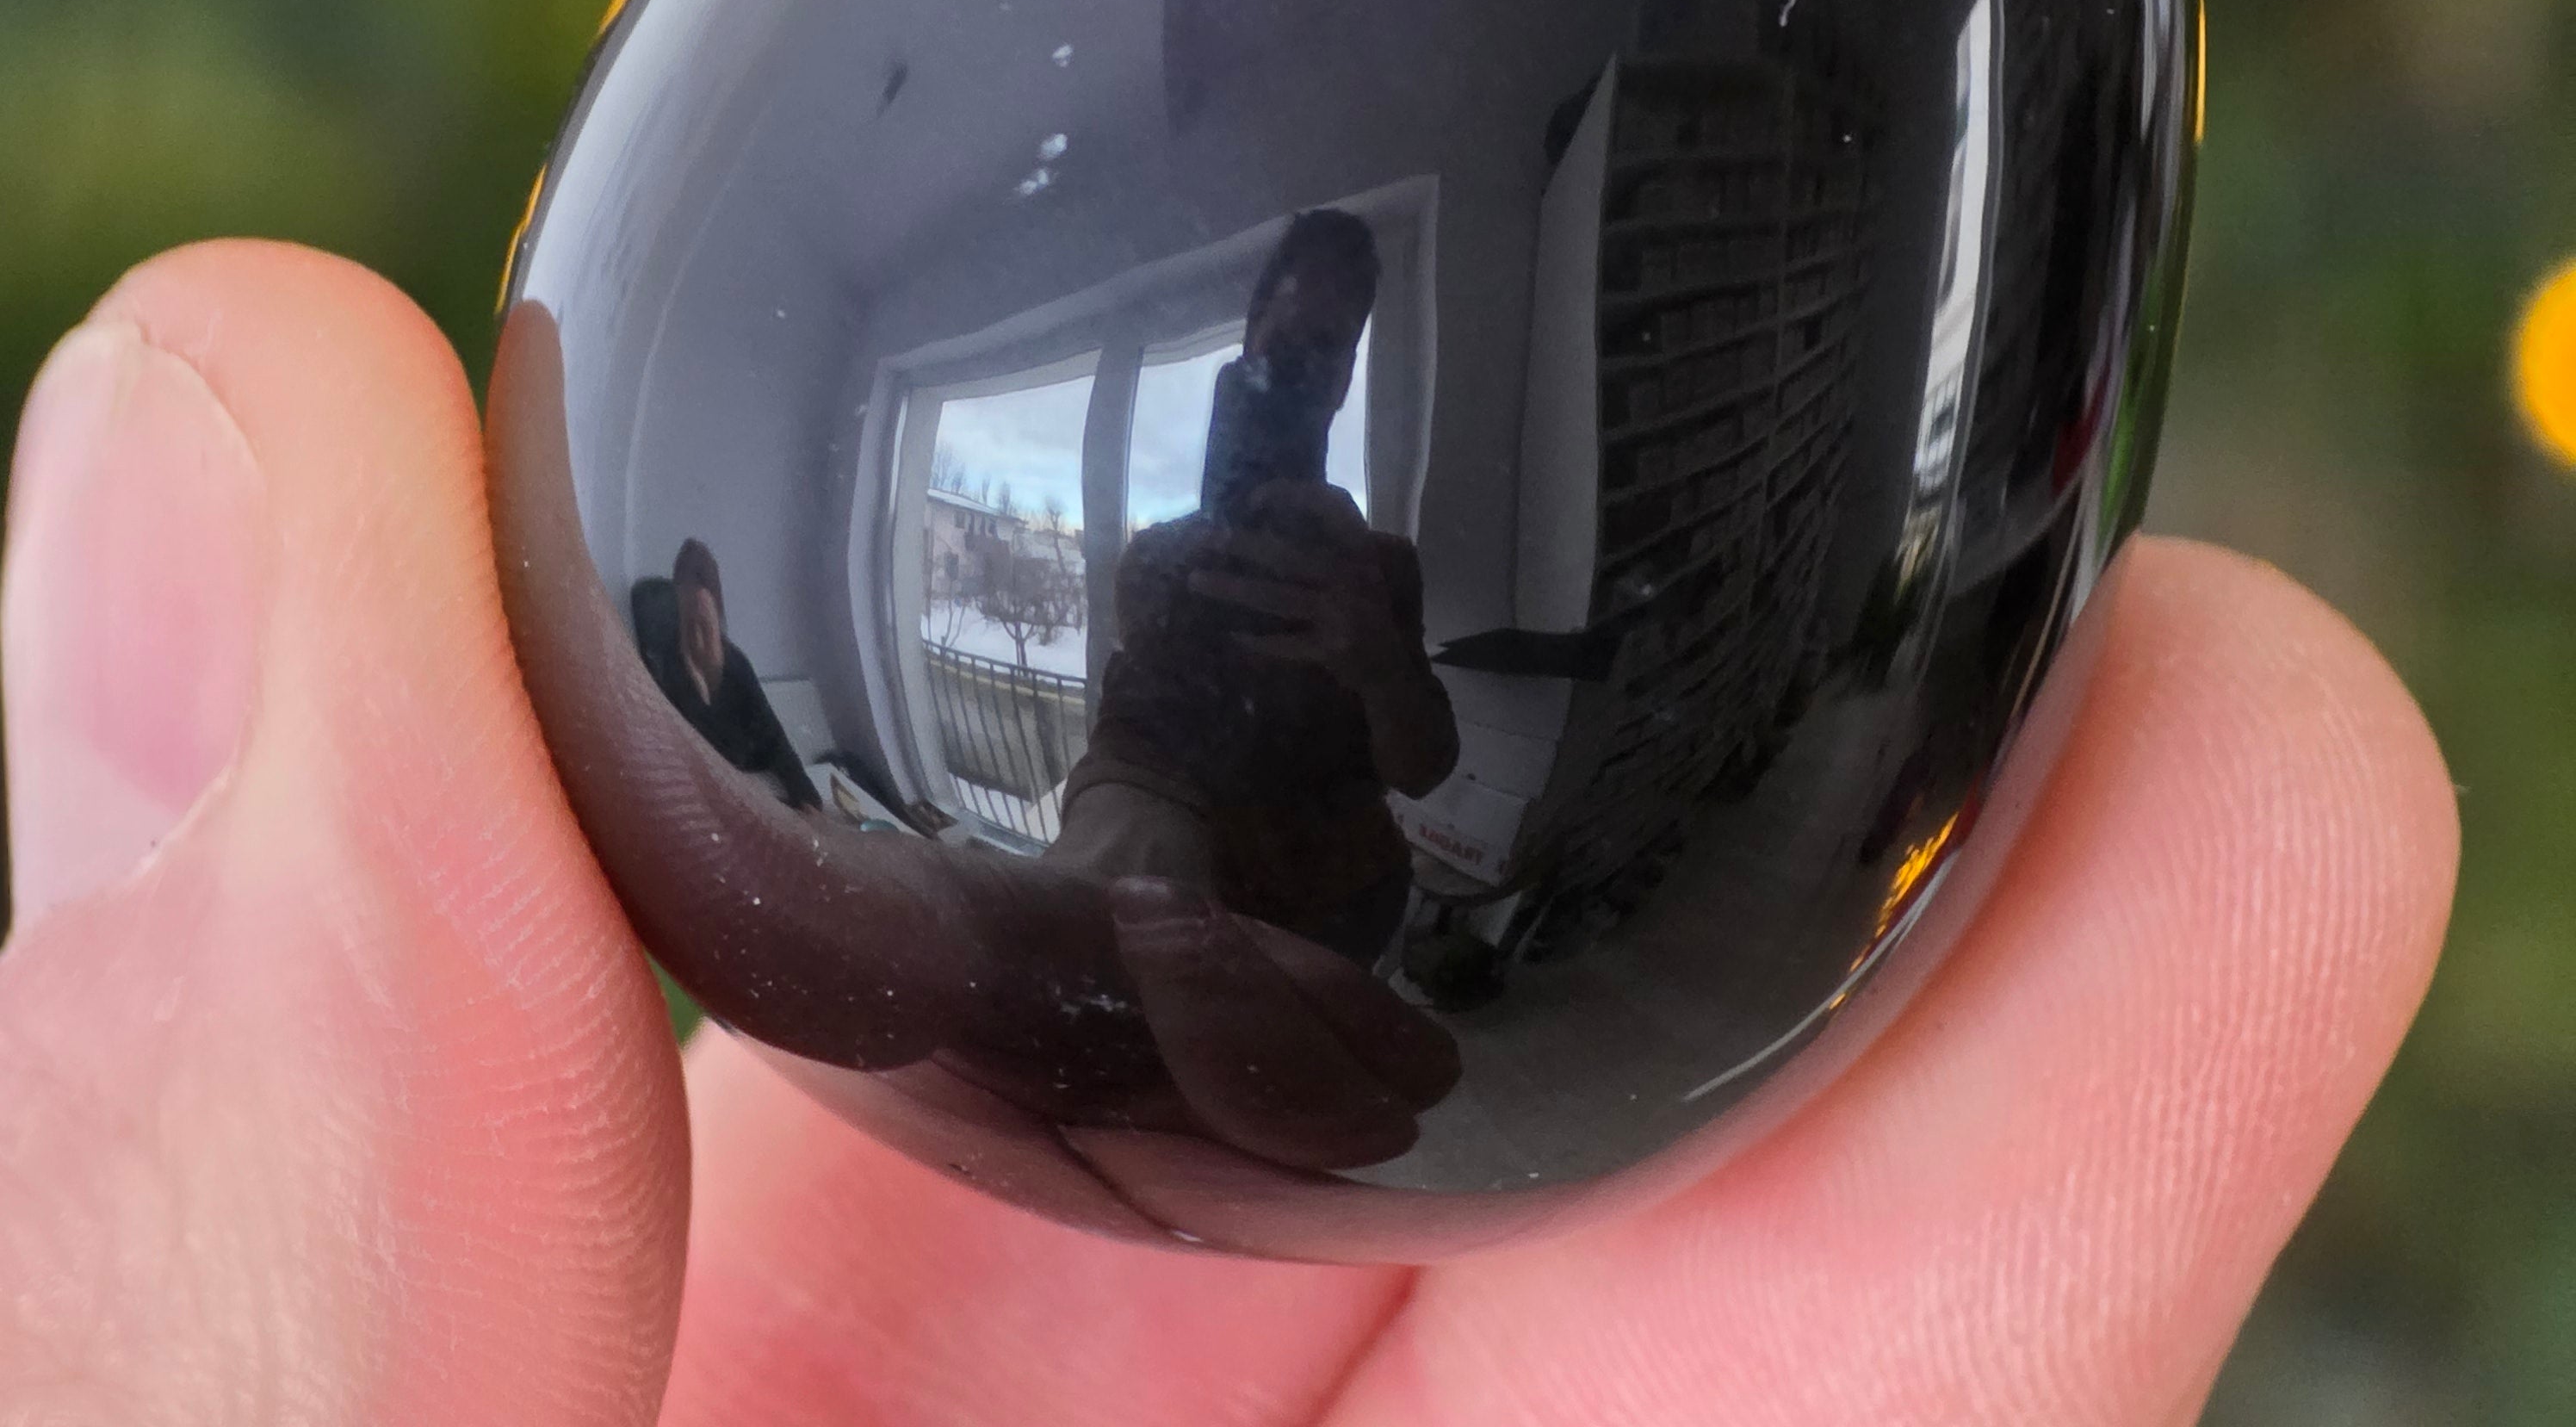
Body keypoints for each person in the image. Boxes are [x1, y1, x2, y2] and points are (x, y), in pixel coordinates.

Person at [0, 243, 2459, 1423]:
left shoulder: (1362, 554)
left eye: (1320, 343)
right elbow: (1098, 759)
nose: (1291, 370)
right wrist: (1141, 829)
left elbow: (1418, 753)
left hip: (1356, 920)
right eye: (1279, 337)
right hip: (1173, 893)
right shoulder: (1172, 551)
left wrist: (1370, 655)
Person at [1053, 209, 1459, 965]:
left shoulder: (1381, 569)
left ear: (1347, 379)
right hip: (1193, 895)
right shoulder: (1155, 560)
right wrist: (1106, 876)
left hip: (1342, 910)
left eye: (1330, 348)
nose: (1307, 369)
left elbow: (1424, 771)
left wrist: (1380, 668)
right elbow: (1134, 751)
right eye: (1289, 341)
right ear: (1250, 341)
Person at [632, 540, 821, 812]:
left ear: (717, 609)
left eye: (705, 624)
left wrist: (807, 798)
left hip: (752, 782)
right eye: (690, 622)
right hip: (708, 791)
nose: (698, 636)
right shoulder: (664, 665)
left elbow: (773, 737)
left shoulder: (736, 665)